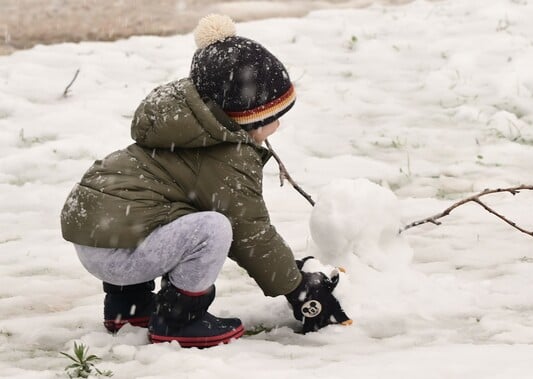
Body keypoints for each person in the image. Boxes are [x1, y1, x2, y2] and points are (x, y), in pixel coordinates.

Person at [60, 14, 351, 348]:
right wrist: (297, 286)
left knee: (157, 210)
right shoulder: (227, 156)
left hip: (96, 237)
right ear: (248, 117)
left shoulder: (185, 129)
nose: (278, 127)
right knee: (213, 228)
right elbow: (251, 234)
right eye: (273, 119)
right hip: (119, 255)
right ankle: (178, 322)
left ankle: (129, 309)